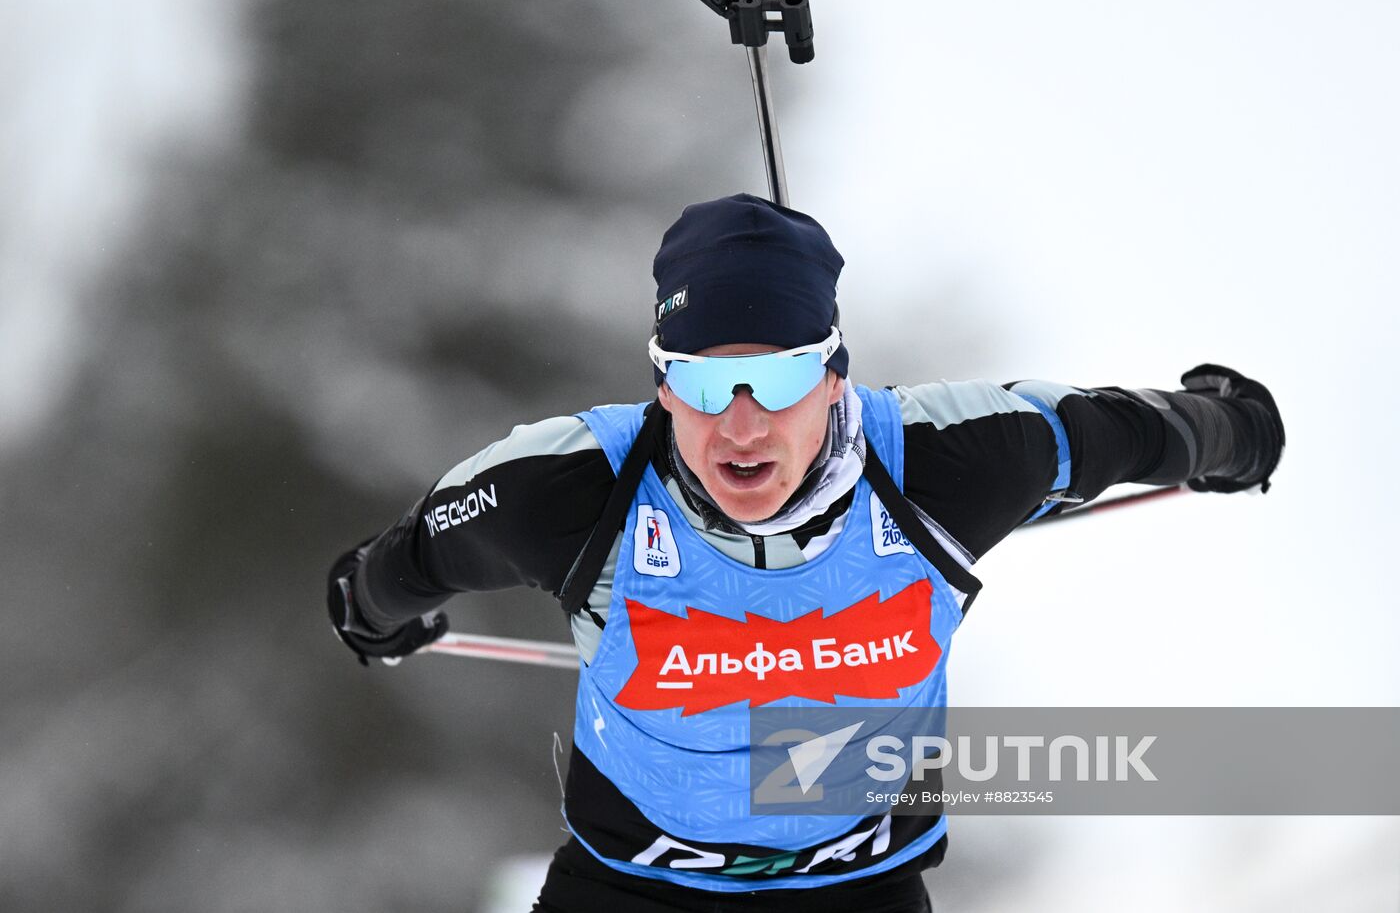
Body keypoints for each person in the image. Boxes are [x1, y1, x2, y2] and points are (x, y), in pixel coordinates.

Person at [326, 193, 1285, 912]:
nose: (739, 427)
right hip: (632, 892)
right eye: (705, 385)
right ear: (663, 386)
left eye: (779, 377)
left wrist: (1234, 430)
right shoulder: (570, 489)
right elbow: (417, 556)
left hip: (861, 889)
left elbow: (1125, 432)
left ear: (833, 376)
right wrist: (368, 608)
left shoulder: (950, 462)